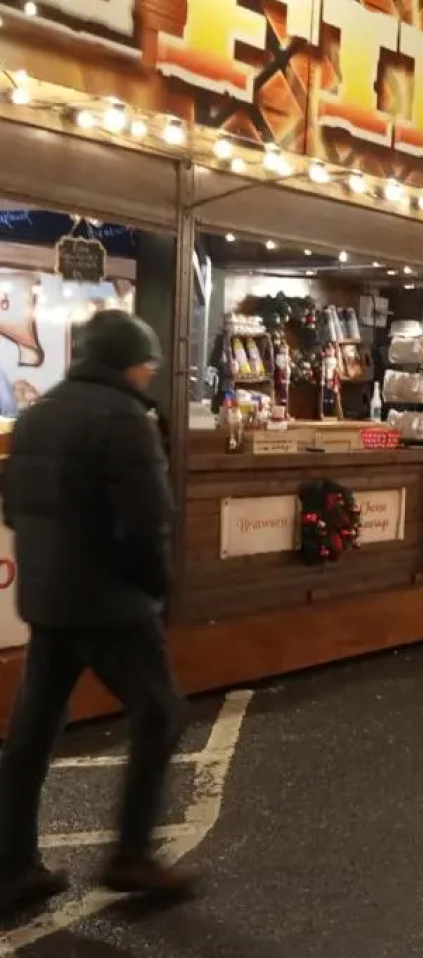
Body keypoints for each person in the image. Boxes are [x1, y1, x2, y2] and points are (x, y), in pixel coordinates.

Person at [0, 311, 197, 913]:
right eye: (146, 361)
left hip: (49, 600)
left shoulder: (36, 416)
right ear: (125, 362)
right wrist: (158, 588)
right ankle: (131, 857)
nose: (149, 371)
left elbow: (13, 510)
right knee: (160, 715)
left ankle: (10, 867)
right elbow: (146, 524)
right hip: (110, 602)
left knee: (31, 734)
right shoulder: (126, 422)